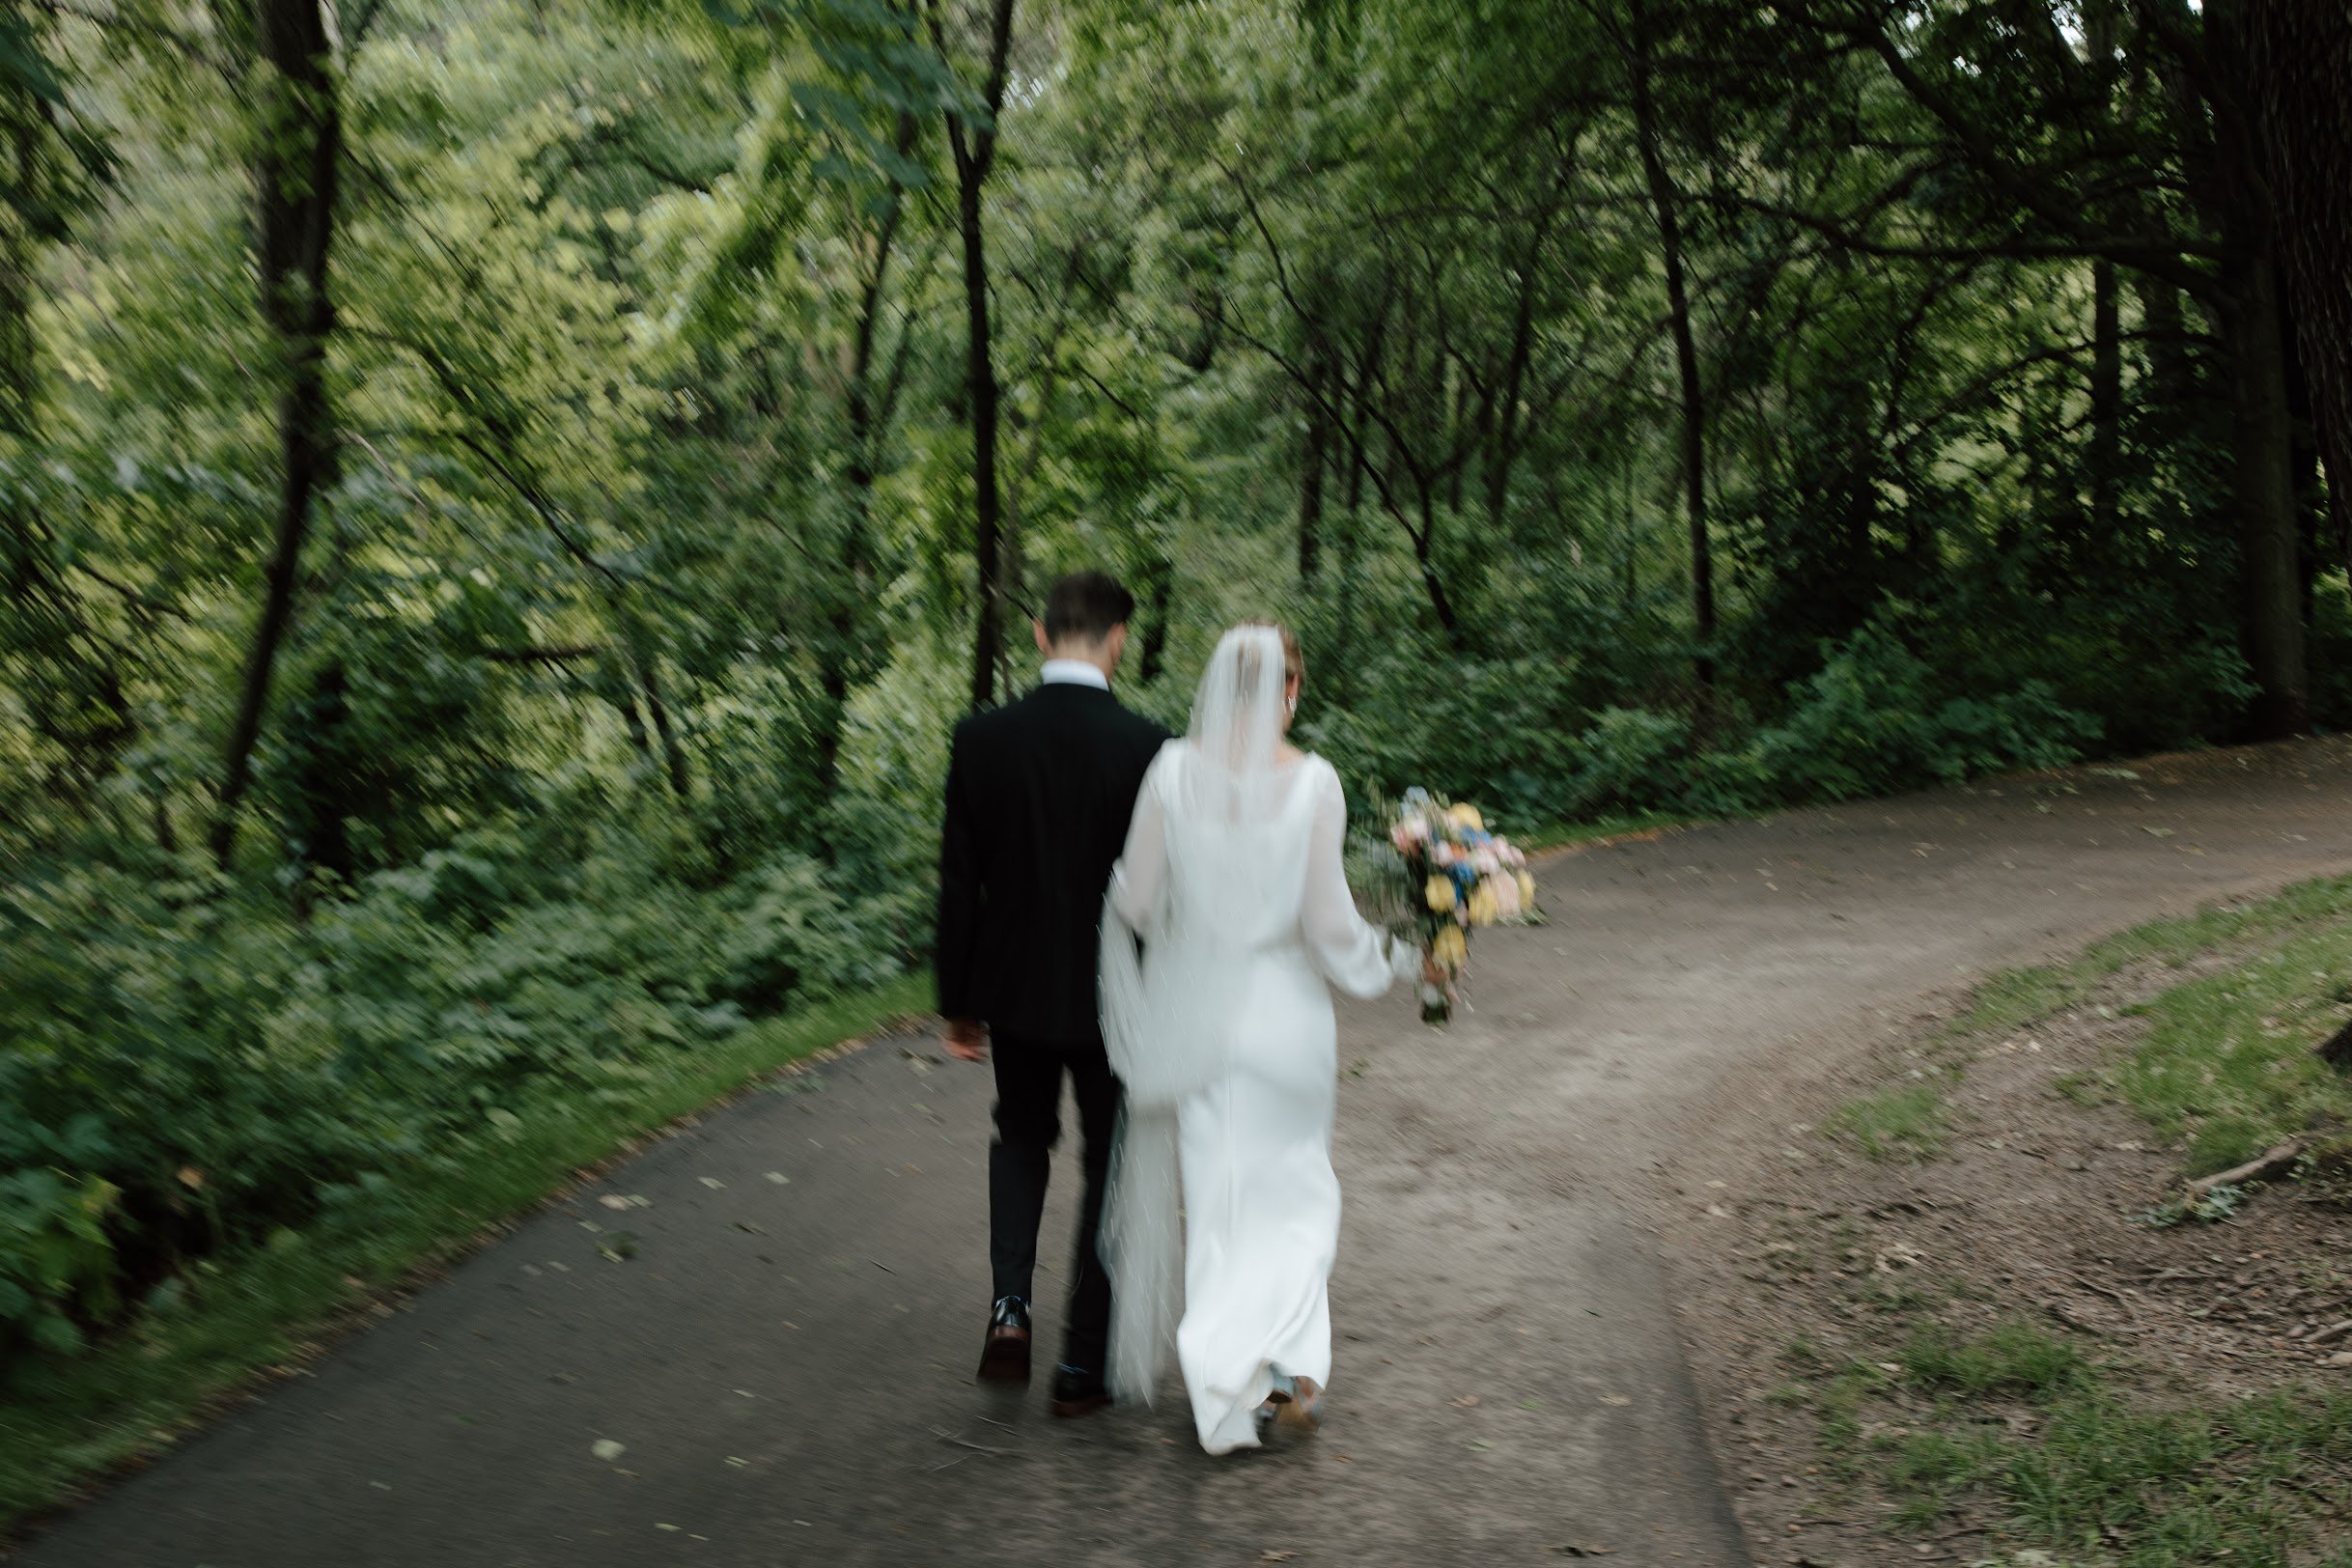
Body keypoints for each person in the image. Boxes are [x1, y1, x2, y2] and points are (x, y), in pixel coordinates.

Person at [1098, 622, 1422, 1454]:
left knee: (1217, 1203)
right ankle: (1289, 1362)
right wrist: (1396, 957)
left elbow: (1134, 902)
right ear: (1291, 690)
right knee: (1296, 1192)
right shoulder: (1315, 782)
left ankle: (1227, 1391)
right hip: (1287, 1019)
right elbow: (1327, 925)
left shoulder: (1171, 771)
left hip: (1202, 1020)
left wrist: (1183, 916)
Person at [935, 571, 1168, 1416]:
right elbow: (1164, 892)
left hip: (1017, 988)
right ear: (1118, 642)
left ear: (1039, 634)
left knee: (1021, 1135)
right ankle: (1080, 1366)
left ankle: (1009, 1308)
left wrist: (959, 1001)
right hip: (1116, 996)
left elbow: (961, 882)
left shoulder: (982, 738)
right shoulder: (1149, 747)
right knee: (1110, 1160)